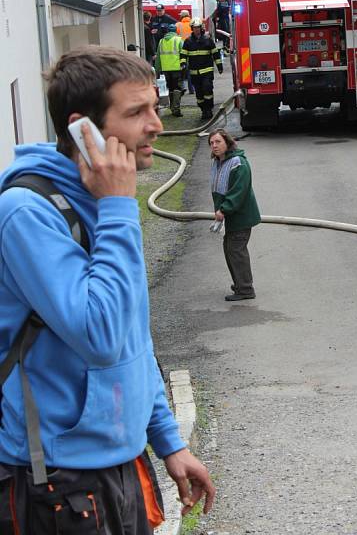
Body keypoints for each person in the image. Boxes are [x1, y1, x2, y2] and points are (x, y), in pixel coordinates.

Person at [0, 46, 215, 532]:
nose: (156, 125)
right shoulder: (26, 212)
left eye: (155, 107)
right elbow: (100, 336)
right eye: (137, 112)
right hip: (54, 480)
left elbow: (133, 336)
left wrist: (168, 440)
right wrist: (119, 207)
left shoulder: (98, 200)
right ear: (84, 129)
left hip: (117, 463)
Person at [209, 128, 260, 301]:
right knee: (230, 249)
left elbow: (238, 191)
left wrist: (224, 209)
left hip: (241, 216)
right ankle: (240, 283)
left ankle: (245, 289)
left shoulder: (239, 163)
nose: (214, 146)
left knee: (236, 250)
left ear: (227, 143)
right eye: (211, 143)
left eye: (218, 142)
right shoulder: (218, 162)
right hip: (232, 216)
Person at [182, 18, 223, 121]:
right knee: (199, 94)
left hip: (207, 71)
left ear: (201, 28)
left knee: (207, 89)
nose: (196, 30)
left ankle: (209, 109)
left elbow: (215, 54)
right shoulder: (187, 41)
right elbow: (183, 54)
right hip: (195, 73)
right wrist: (182, 64)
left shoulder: (208, 40)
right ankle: (203, 110)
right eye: (194, 28)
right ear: (192, 28)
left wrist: (219, 66)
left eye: (198, 28)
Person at [155, 24, 186, 117]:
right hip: (177, 68)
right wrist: (186, 65)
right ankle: (176, 109)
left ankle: (172, 108)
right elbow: (184, 54)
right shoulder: (179, 40)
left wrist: (157, 70)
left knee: (171, 88)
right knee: (178, 88)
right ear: (176, 31)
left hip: (166, 69)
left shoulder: (161, 41)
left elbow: (158, 58)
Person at [176, 11, 194, 93]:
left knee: (183, 69)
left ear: (182, 16)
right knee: (191, 69)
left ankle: (182, 87)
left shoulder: (178, 25)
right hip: (192, 49)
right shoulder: (192, 23)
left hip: (182, 49)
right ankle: (191, 89)